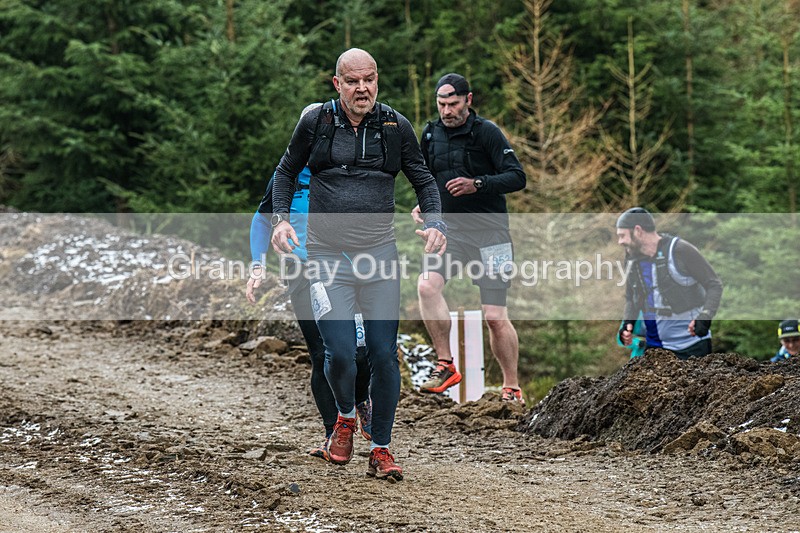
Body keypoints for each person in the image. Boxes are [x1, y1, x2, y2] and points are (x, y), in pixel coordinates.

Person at [270, 48, 446, 482]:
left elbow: (422, 177)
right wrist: (279, 222)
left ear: (377, 80)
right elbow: (285, 172)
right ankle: (345, 419)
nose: (361, 88)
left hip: (380, 257)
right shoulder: (316, 122)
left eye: (368, 79)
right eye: (352, 81)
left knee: (385, 355)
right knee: (341, 353)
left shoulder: (394, 125)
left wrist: (436, 221)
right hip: (327, 257)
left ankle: (382, 449)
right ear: (337, 84)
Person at [246, 133, 372, 461]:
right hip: (300, 271)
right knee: (321, 354)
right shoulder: (284, 176)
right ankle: (334, 434)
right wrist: (258, 266)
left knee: (358, 352)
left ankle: (362, 403)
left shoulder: (347, 170)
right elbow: (261, 220)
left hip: (346, 272)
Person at [413, 73, 527, 404]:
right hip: (451, 231)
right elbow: (425, 177)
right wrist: (424, 203)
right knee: (426, 286)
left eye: (453, 104)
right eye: (441, 104)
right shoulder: (431, 133)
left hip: (491, 234)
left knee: (494, 316)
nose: (447, 111)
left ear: (468, 100)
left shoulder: (487, 132)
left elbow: (517, 177)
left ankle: (511, 386)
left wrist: (477, 183)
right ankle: (445, 363)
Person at [616, 207, 724, 359]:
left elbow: (714, 284)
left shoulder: (680, 250)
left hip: (690, 346)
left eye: (622, 236)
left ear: (638, 231)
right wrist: (628, 322)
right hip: (654, 348)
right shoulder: (632, 259)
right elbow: (630, 297)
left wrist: (705, 315)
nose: (620, 242)